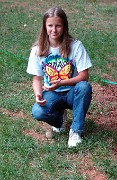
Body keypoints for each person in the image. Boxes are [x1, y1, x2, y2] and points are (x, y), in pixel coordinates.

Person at [26, 7, 92, 147]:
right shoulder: (37, 50)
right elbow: (37, 78)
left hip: (73, 92)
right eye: (50, 25)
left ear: (64, 26)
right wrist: (38, 94)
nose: (54, 30)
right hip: (52, 93)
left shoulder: (76, 46)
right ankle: (59, 120)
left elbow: (84, 76)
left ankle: (76, 131)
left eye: (58, 25)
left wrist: (61, 82)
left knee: (84, 87)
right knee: (37, 111)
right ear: (45, 26)